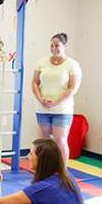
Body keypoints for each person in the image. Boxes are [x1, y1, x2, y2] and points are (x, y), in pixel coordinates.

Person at [32, 33, 82, 165]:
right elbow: (34, 83)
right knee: (44, 141)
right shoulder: (41, 62)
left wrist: (56, 103)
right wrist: (41, 99)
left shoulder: (72, 64)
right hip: (42, 108)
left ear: (64, 46)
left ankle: (62, 171)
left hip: (62, 109)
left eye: (57, 45)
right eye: (52, 45)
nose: (54, 48)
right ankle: (44, 168)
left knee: (60, 141)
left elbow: (72, 88)